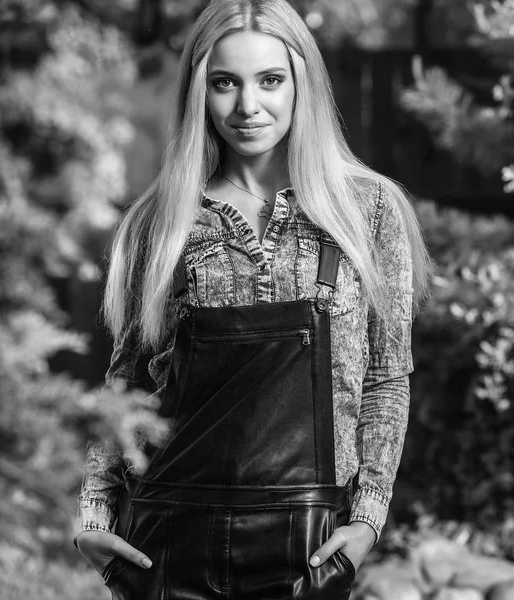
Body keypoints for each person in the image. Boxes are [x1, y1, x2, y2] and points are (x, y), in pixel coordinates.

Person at [74, 0, 431, 598]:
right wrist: (92, 518)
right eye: (224, 83)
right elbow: (127, 384)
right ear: (197, 92)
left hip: (308, 547)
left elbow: (387, 379)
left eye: (270, 80)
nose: (247, 106)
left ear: (302, 84)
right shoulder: (157, 225)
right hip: (168, 542)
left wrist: (368, 517)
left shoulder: (369, 212)